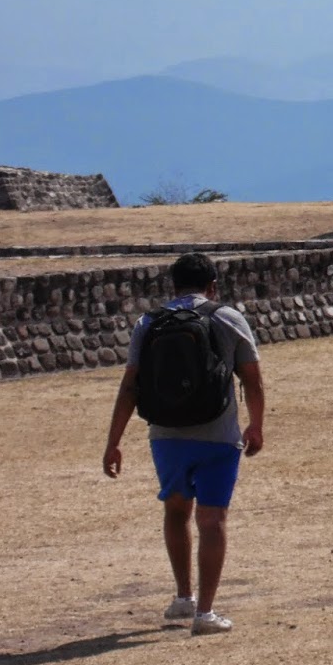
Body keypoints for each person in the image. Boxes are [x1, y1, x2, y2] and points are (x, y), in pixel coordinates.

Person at [103, 252, 265, 636]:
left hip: (166, 435)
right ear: (212, 286)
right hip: (218, 435)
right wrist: (256, 426)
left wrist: (113, 442)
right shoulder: (227, 317)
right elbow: (252, 380)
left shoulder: (149, 322)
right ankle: (205, 614)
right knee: (212, 521)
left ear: (172, 286)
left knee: (175, 511)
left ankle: (183, 596)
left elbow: (130, 386)